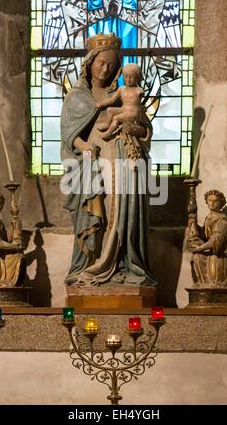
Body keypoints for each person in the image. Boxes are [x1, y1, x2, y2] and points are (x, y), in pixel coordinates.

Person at [61, 32, 157, 287]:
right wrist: (84, 146)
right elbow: (69, 135)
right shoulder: (77, 96)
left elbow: (144, 129)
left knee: (122, 211)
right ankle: (90, 264)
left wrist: (134, 131)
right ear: (89, 62)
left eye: (112, 64)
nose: (106, 68)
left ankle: (124, 265)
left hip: (124, 161)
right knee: (95, 213)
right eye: (101, 62)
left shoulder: (126, 92)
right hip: (92, 164)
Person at [186, 190, 227, 286]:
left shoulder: (222, 220)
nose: (212, 203)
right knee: (196, 257)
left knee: (215, 281)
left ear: (221, 202)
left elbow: (215, 240)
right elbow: (205, 236)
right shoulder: (209, 217)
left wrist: (199, 248)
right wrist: (194, 225)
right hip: (210, 253)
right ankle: (202, 284)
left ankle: (207, 286)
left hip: (219, 256)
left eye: (215, 201)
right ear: (206, 202)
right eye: (209, 200)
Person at [95, 63, 144, 144]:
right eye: (126, 77)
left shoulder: (138, 90)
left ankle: (108, 134)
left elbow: (141, 93)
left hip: (133, 114)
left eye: (132, 78)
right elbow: (111, 100)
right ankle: (107, 125)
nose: (128, 80)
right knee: (109, 110)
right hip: (124, 110)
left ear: (137, 78)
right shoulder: (122, 89)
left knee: (116, 118)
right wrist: (102, 103)